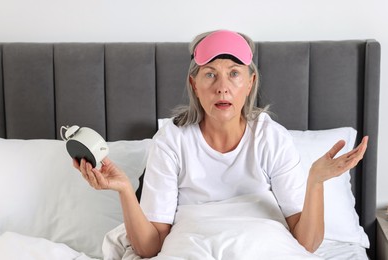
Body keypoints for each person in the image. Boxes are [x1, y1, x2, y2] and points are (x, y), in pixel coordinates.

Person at [73, 29, 368, 258]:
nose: (222, 86)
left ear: (250, 83)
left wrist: (315, 182)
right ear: (194, 85)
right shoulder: (172, 141)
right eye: (210, 74)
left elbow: (307, 244)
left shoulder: (270, 137)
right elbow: (150, 248)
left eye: (234, 74)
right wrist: (125, 189)